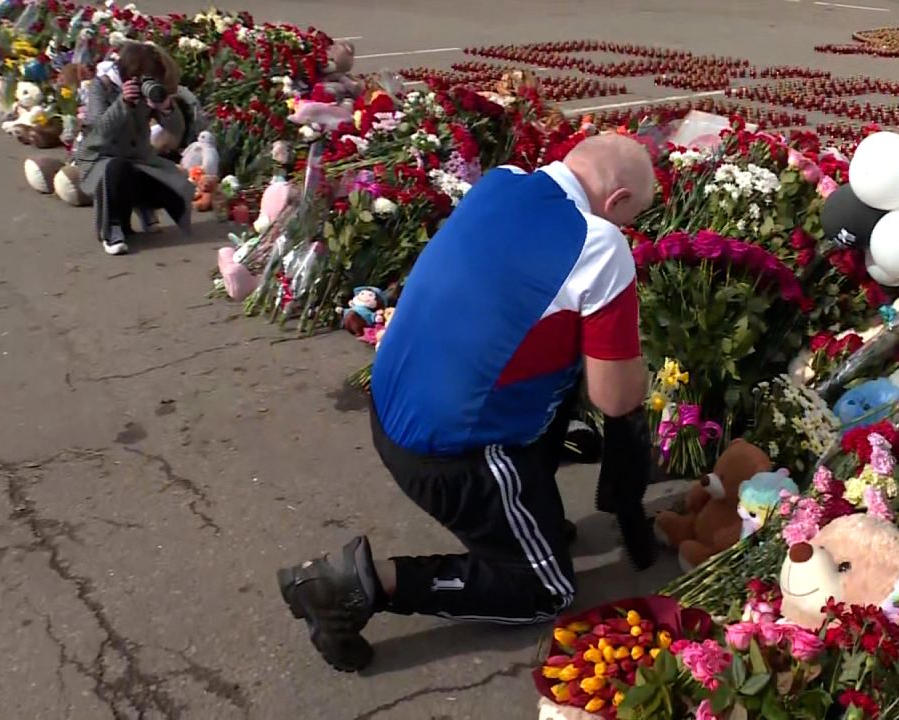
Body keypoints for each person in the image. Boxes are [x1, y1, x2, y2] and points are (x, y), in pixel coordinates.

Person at [277, 134, 655, 673]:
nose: (626, 230)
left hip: (394, 405)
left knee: (555, 350)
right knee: (545, 589)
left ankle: (528, 520)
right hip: (450, 448)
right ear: (616, 201)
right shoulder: (598, 243)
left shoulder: (502, 181)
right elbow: (614, 398)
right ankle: (354, 584)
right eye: (630, 217)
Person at [74, 42, 193, 256]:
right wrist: (123, 104)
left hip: (139, 160)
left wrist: (166, 107)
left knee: (175, 184)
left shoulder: (150, 91)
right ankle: (112, 230)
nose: (147, 83)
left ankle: (144, 206)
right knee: (117, 168)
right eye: (143, 78)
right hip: (100, 160)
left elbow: (176, 132)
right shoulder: (101, 87)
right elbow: (96, 135)